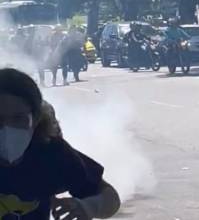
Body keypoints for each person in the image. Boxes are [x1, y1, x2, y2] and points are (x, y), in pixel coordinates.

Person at [0, 68, 121, 219]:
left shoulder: (50, 152)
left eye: (18, 119)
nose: (6, 128)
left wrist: (89, 206)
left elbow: (109, 197)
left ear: (36, 119)